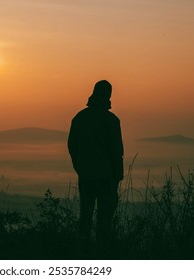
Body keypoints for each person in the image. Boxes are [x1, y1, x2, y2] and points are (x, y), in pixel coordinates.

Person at [68, 80, 124, 253]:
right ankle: (102, 253)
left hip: (86, 176)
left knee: (85, 216)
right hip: (107, 178)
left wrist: (80, 168)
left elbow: (72, 146)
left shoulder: (80, 118)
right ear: (108, 96)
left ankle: (82, 252)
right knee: (104, 220)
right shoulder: (111, 121)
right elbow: (117, 152)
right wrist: (117, 177)